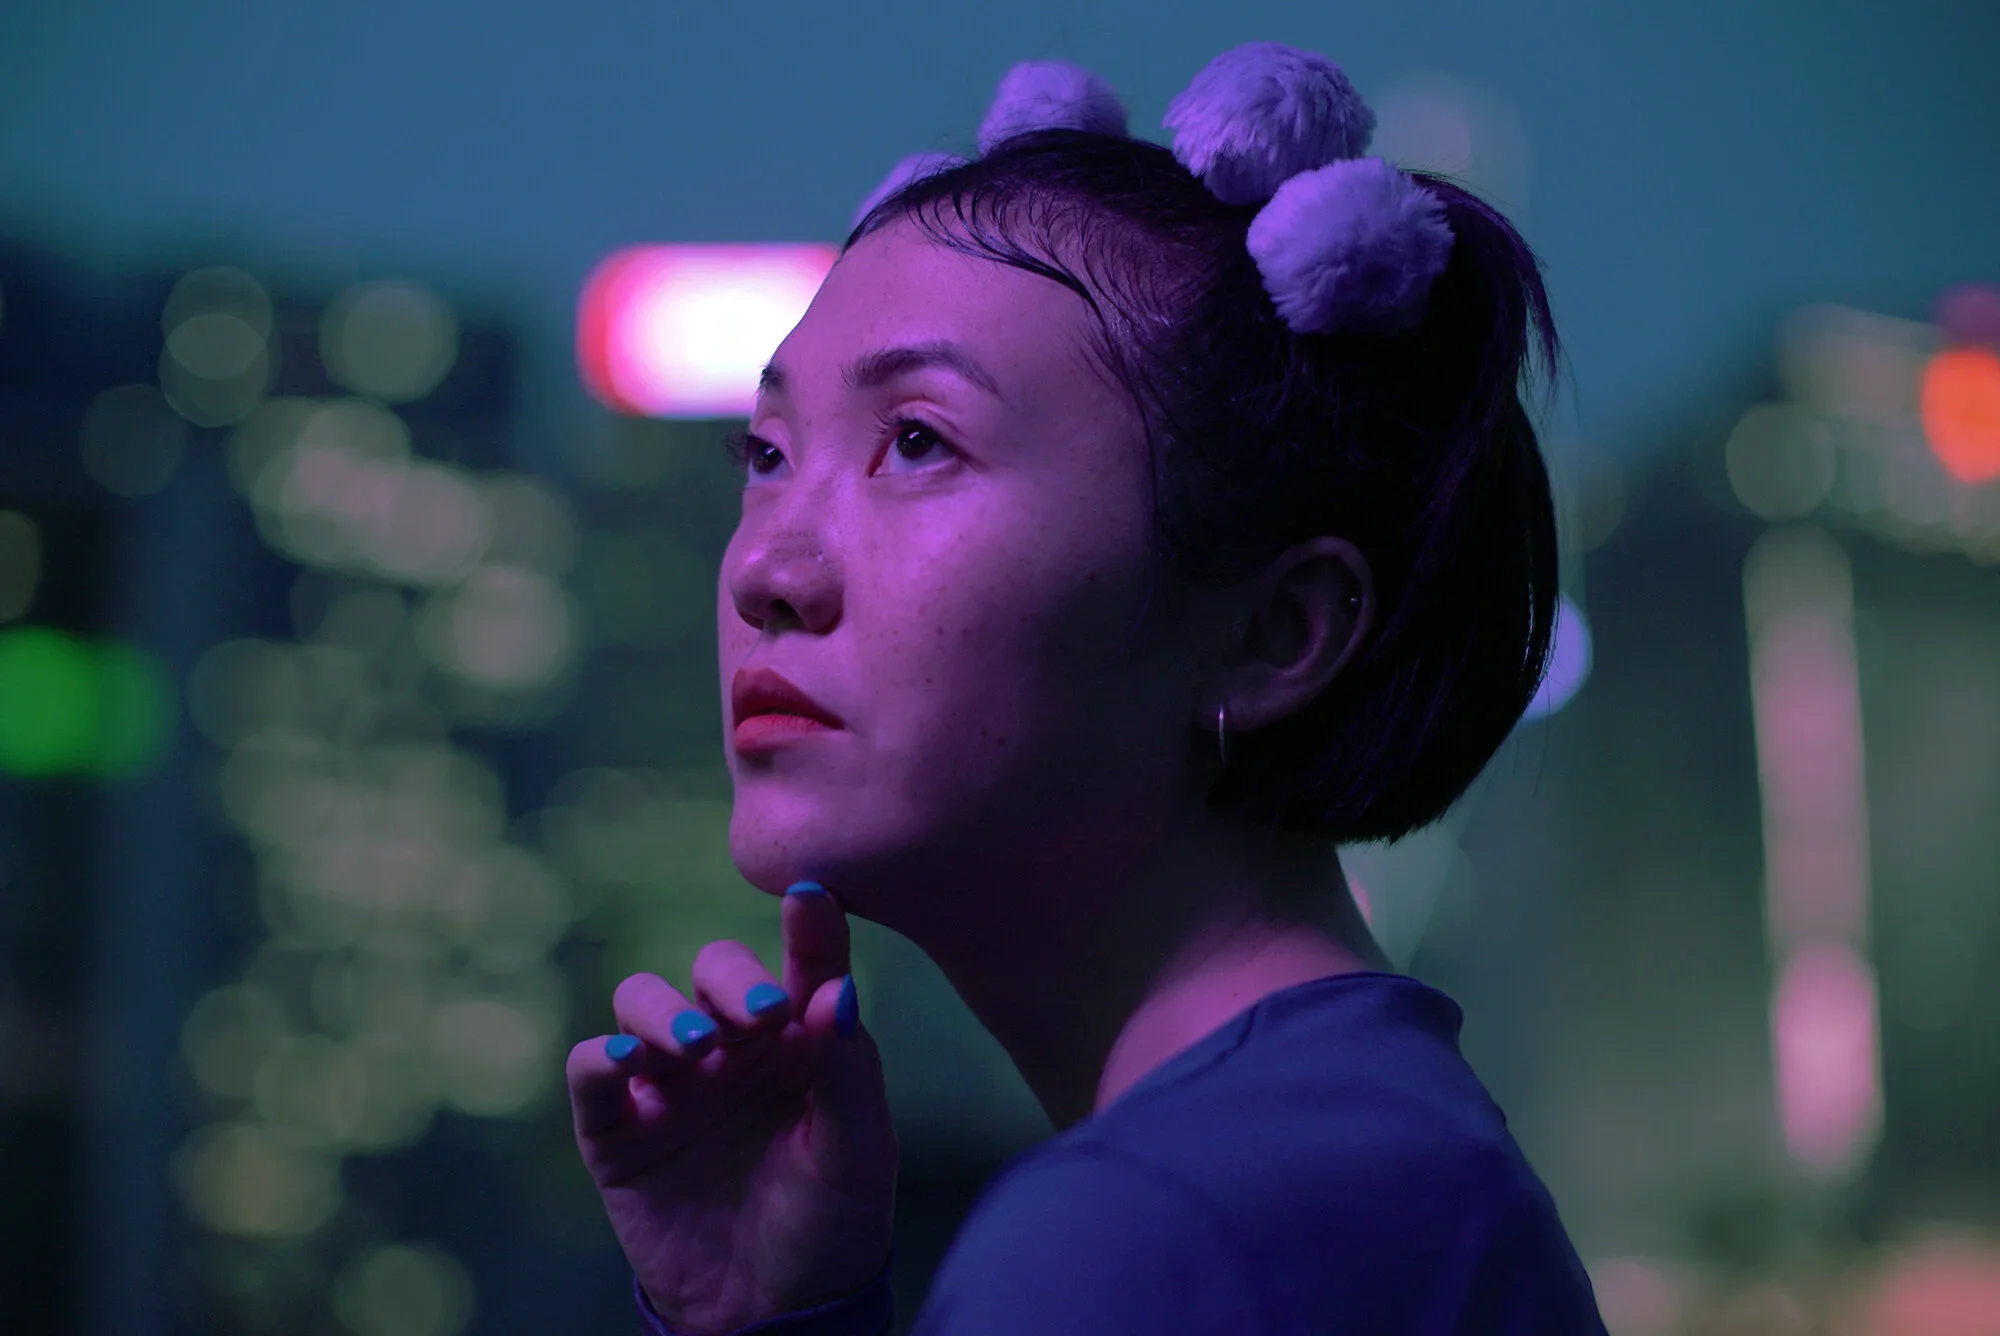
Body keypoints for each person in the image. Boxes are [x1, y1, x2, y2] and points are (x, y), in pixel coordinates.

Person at [565, 41, 1609, 1336]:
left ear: (1276, 630)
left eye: (918, 442)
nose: (766, 569)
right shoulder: (1337, 1158)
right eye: (765, 452)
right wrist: (779, 1318)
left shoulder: (1168, 1232)